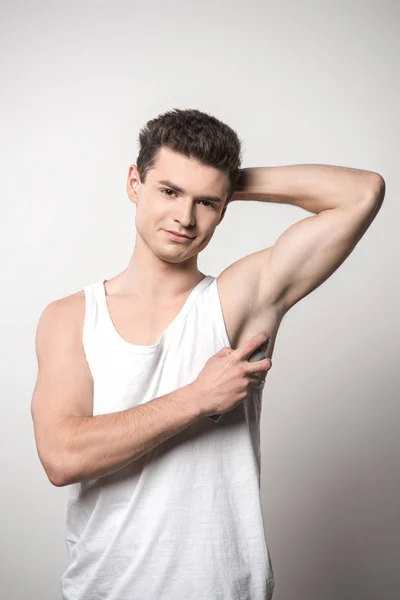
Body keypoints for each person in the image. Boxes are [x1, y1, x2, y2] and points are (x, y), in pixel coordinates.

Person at [30, 108, 384, 599]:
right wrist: (196, 397)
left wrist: (231, 181)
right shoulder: (69, 317)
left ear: (224, 207)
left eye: (206, 202)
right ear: (135, 182)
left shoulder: (240, 301)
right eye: (169, 191)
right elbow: (62, 457)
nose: (184, 217)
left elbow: (363, 192)